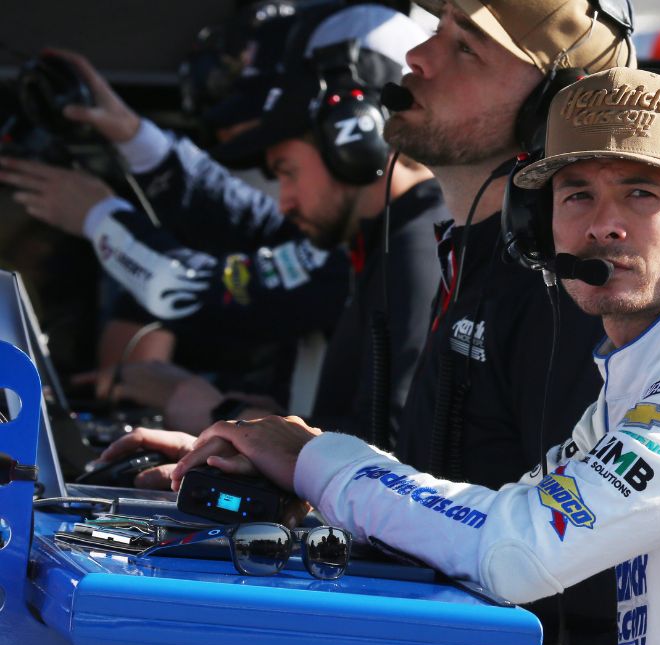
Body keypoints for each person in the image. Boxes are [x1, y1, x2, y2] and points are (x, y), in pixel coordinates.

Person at [126, 65, 660, 645]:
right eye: (575, 194)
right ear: (537, 226)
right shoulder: (651, 367)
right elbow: (499, 515)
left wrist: (318, 460)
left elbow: (515, 550)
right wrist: (300, 485)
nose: (604, 226)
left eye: (641, 192)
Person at [1, 6, 447, 441]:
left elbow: (387, 452)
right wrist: (133, 135)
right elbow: (255, 224)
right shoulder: (375, 236)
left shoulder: (413, 248)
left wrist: (220, 412)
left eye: (286, 170)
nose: (284, 200)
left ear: (352, 136)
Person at [378, 1, 633, 645]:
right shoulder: (478, 259)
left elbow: (567, 550)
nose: (418, 58)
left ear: (549, 113)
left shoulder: (565, 290)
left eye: (466, 50)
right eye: (437, 33)